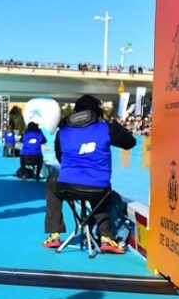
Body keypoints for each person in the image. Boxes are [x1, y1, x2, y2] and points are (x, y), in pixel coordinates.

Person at [41, 95, 136, 251]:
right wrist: (110, 121)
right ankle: (106, 236)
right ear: (97, 112)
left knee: (52, 182)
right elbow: (130, 143)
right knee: (101, 188)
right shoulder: (106, 128)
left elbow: (60, 159)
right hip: (99, 190)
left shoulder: (62, 132)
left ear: (75, 112)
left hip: (68, 188)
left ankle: (54, 234)